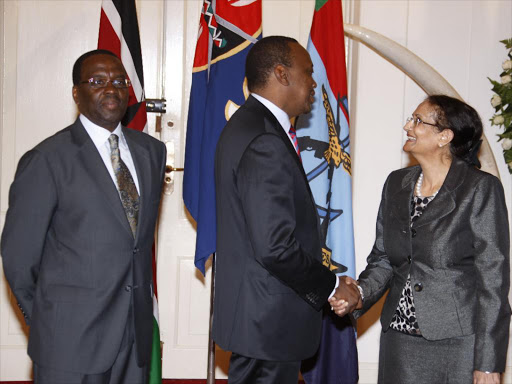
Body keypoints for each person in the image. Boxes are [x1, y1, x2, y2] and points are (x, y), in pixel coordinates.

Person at [1, 49, 166, 383]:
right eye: (97, 81)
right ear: (77, 93)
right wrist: (48, 323)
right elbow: (19, 258)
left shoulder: (152, 152)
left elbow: (136, 243)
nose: (112, 89)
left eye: (120, 81)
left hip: (134, 338)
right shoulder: (47, 159)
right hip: (68, 341)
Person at [332, 95, 510, 384]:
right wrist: (359, 294)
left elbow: (494, 283)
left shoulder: (480, 189)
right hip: (399, 343)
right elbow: (384, 259)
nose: (407, 126)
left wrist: (489, 364)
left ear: (444, 136)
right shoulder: (396, 183)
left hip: (458, 344)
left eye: (417, 120)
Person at [213, 36, 360, 384]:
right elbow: (276, 246)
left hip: (260, 317)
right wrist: (333, 286)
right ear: (281, 74)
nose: (313, 83)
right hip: (268, 321)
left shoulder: (252, 125)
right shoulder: (264, 138)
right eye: (307, 73)